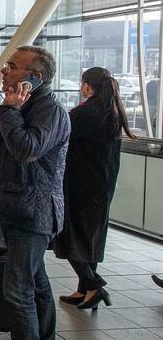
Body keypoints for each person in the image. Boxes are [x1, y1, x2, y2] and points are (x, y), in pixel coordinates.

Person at [0, 46, 70, 340]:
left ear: (35, 77)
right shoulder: (28, 106)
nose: (4, 71)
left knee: (18, 289)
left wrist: (10, 111)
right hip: (18, 208)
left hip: (34, 213)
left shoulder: (49, 111)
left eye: (12, 67)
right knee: (36, 282)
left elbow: (26, 149)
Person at [54, 67, 135, 311]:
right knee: (91, 237)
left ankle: (93, 284)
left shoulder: (85, 113)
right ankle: (85, 290)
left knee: (70, 235)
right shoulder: (112, 112)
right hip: (103, 184)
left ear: (88, 86)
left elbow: (61, 139)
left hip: (80, 184)